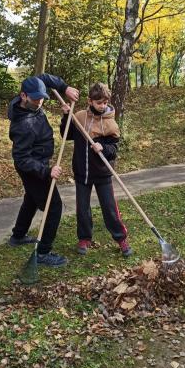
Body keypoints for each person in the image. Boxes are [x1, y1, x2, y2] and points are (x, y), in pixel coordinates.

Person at [8, 74, 79, 267]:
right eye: (35, 98)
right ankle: (43, 252)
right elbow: (21, 159)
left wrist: (64, 87)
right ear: (23, 96)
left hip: (39, 163)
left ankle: (18, 235)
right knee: (54, 207)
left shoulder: (32, 94)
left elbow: (43, 78)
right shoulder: (23, 125)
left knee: (31, 199)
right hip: (33, 168)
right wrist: (45, 171)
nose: (40, 101)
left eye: (42, 97)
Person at [60, 82, 132, 257]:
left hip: (102, 174)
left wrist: (103, 148)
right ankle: (84, 238)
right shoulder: (80, 117)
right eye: (99, 102)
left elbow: (114, 150)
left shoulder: (111, 124)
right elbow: (66, 135)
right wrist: (66, 116)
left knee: (110, 209)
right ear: (90, 101)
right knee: (82, 209)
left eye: (105, 102)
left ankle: (121, 238)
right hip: (81, 172)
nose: (103, 106)